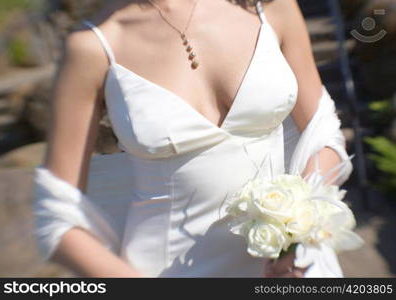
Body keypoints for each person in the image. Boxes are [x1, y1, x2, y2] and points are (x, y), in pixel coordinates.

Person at [33, 0, 353, 277]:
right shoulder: (92, 47)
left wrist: (297, 229)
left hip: (296, 266)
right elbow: (58, 216)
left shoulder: (269, 7)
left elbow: (323, 133)